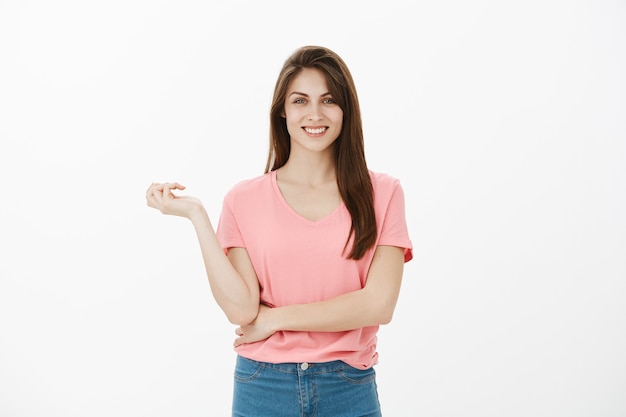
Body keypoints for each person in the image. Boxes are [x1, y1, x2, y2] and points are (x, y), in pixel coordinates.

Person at [145, 45, 413, 417]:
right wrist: (197, 216)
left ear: (346, 110)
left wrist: (275, 318)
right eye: (300, 100)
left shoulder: (383, 193)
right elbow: (241, 309)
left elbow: (379, 304)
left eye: (329, 100)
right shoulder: (243, 199)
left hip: (348, 386)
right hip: (263, 385)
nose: (315, 114)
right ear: (282, 111)